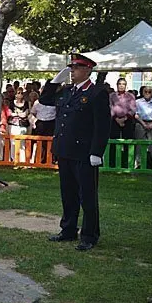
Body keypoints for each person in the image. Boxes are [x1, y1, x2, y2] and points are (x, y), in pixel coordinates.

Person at [40, 53, 110, 251]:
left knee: (87, 196)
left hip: (84, 152)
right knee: (68, 194)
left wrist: (96, 151)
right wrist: (54, 82)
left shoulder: (97, 93)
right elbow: (45, 100)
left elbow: (102, 126)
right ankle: (68, 229)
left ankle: (89, 235)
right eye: (71, 68)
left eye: (77, 68)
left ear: (88, 70)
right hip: (65, 150)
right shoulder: (67, 91)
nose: (72, 71)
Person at [108, 78, 136, 168]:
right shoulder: (112, 95)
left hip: (127, 120)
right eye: (119, 84)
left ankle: (127, 163)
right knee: (113, 141)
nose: (121, 85)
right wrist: (116, 118)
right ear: (117, 85)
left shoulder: (130, 96)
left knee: (127, 141)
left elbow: (133, 109)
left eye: (123, 84)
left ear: (126, 85)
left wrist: (125, 118)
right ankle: (112, 163)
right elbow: (110, 107)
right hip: (114, 120)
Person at [134, 86, 152, 169]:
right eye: (145, 91)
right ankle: (137, 165)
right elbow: (136, 114)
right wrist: (144, 124)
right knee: (139, 145)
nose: (147, 93)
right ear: (142, 92)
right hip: (140, 123)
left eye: (149, 91)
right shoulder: (138, 101)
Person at [30, 81, 57, 163]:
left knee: (46, 142)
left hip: (46, 123)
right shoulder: (54, 101)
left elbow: (33, 112)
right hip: (45, 124)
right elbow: (33, 112)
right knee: (42, 142)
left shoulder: (38, 102)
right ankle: (42, 159)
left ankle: (46, 159)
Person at [8, 87, 31, 162]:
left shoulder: (26, 103)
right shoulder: (11, 103)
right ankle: (13, 159)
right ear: (15, 94)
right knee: (13, 142)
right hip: (13, 125)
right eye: (18, 93)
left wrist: (17, 114)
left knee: (22, 143)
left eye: (22, 93)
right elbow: (10, 113)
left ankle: (22, 160)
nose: (20, 94)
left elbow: (26, 114)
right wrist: (18, 114)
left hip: (23, 125)